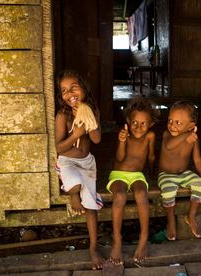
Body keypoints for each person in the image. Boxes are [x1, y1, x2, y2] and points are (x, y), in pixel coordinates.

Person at [54, 70, 103, 270]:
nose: (69, 93)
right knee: (74, 184)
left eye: (73, 87)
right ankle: (74, 196)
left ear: (83, 88)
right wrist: (76, 135)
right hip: (67, 162)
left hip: (87, 163)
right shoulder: (62, 115)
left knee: (91, 206)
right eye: (64, 90)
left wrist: (88, 121)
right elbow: (58, 148)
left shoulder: (92, 110)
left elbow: (97, 139)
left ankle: (93, 248)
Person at [107, 97, 159, 266]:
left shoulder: (150, 136)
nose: (138, 127)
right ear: (128, 121)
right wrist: (122, 141)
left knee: (141, 193)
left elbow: (151, 156)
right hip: (119, 174)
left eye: (144, 123)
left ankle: (143, 238)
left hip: (137, 175)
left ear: (150, 124)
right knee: (120, 196)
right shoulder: (125, 135)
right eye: (135, 122)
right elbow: (120, 158)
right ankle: (117, 240)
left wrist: (152, 175)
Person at [158, 100, 201, 241]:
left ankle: (191, 216)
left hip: (183, 173)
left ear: (191, 126)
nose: (172, 125)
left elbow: (197, 160)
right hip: (166, 174)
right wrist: (186, 135)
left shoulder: (193, 139)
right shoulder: (166, 135)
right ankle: (171, 220)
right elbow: (169, 146)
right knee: (168, 191)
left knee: (199, 185)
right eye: (170, 120)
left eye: (178, 123)